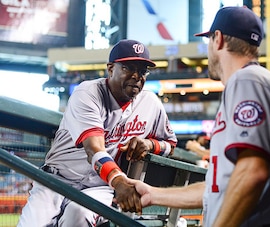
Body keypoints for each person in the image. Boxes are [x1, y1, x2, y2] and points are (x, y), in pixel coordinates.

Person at [122, 6, 270, 227]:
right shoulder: (257, 81)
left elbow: (252, 172)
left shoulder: (246, 80)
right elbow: (219, 186)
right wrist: (153, 195)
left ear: (218, 39)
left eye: (209, 41)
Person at [17, 39, 177, 227]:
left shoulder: (151, 103)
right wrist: (119, 181)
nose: (136, 76)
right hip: (57, 178)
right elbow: (93, 149)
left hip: (99, 186)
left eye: (142, 71)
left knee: (78, 216)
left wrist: (150, 145)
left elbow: (170, 145)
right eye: (128, 68)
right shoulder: (88, 93)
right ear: (110, 69)